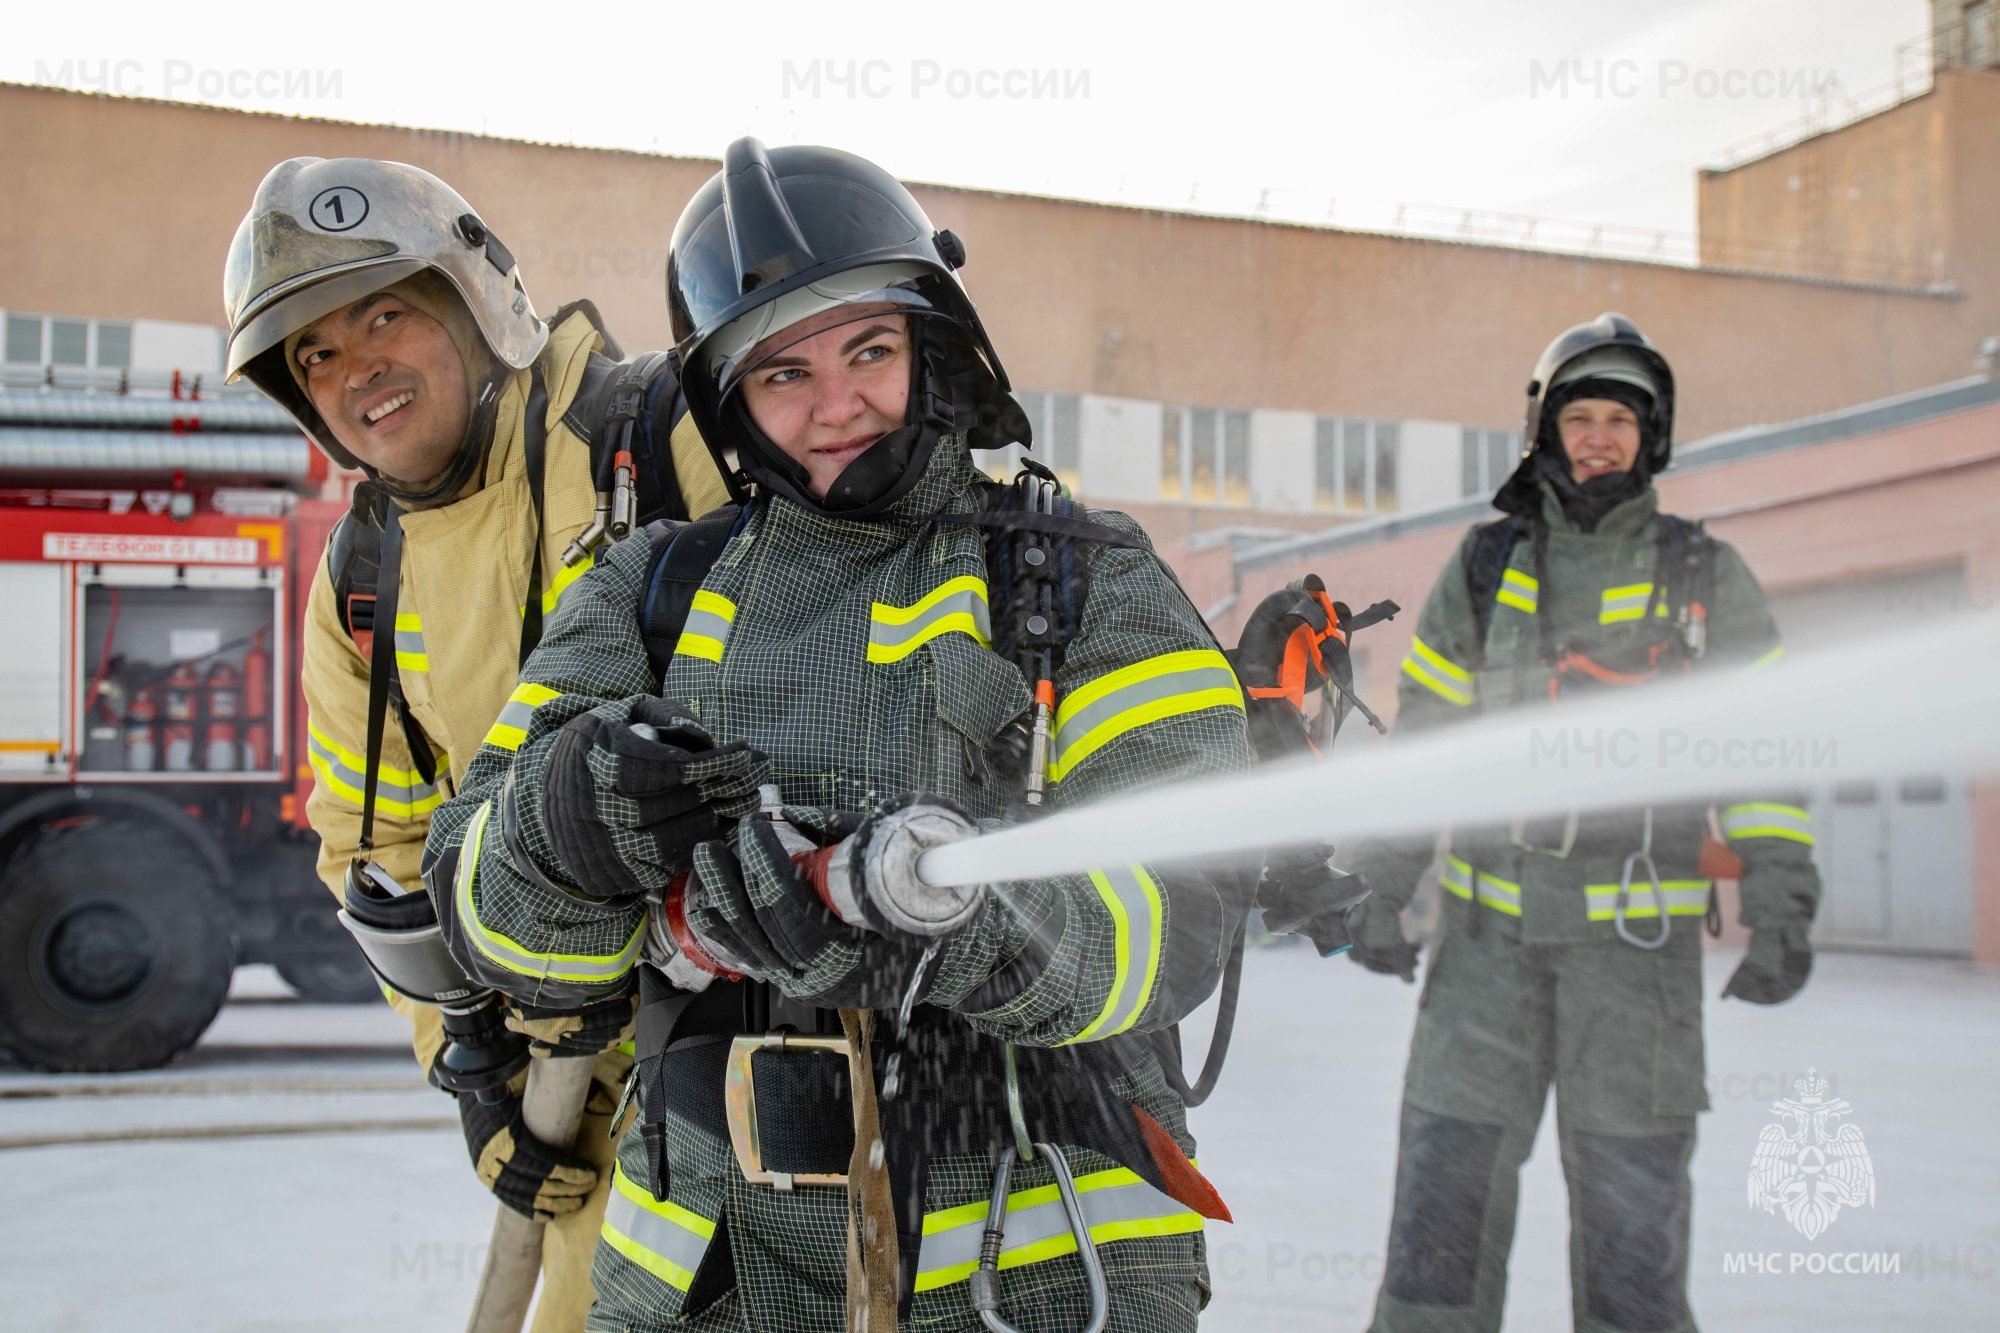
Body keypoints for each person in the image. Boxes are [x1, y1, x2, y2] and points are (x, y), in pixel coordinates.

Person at [422, 138, 1255, 1332]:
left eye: (869, 350)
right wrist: (562, 824)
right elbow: (485, 919)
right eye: (782, 375)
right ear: (729, 410)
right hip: (708, 1283)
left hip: (1030, 1273)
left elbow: (1181, 913)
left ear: (934, 345)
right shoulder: (647, 591)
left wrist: (963, 933)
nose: (838, 405)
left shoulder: (1077, 580)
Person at [222, 155, 735, 1332]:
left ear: (474, 297)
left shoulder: (657, 435)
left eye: (382, 314)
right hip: (569, 1076)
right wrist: (470, 1073)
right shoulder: (360, 585)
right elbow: (378, 849)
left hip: (748, 1035)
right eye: (315, 356)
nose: (357, 372)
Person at [1343, 313, 1822, 1333]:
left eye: (1617, 419)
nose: (1597, 436)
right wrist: (1380, 888)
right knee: (1440, 1218)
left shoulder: (1702, 577)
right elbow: (1425, 746)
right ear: (1543, 429)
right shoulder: (1481, 570)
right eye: (1579, 416)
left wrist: (1781, 902)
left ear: (1650, 437)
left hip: (1631, 966)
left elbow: (1764, 753)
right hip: (1482, 955)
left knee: (1629, 1239)